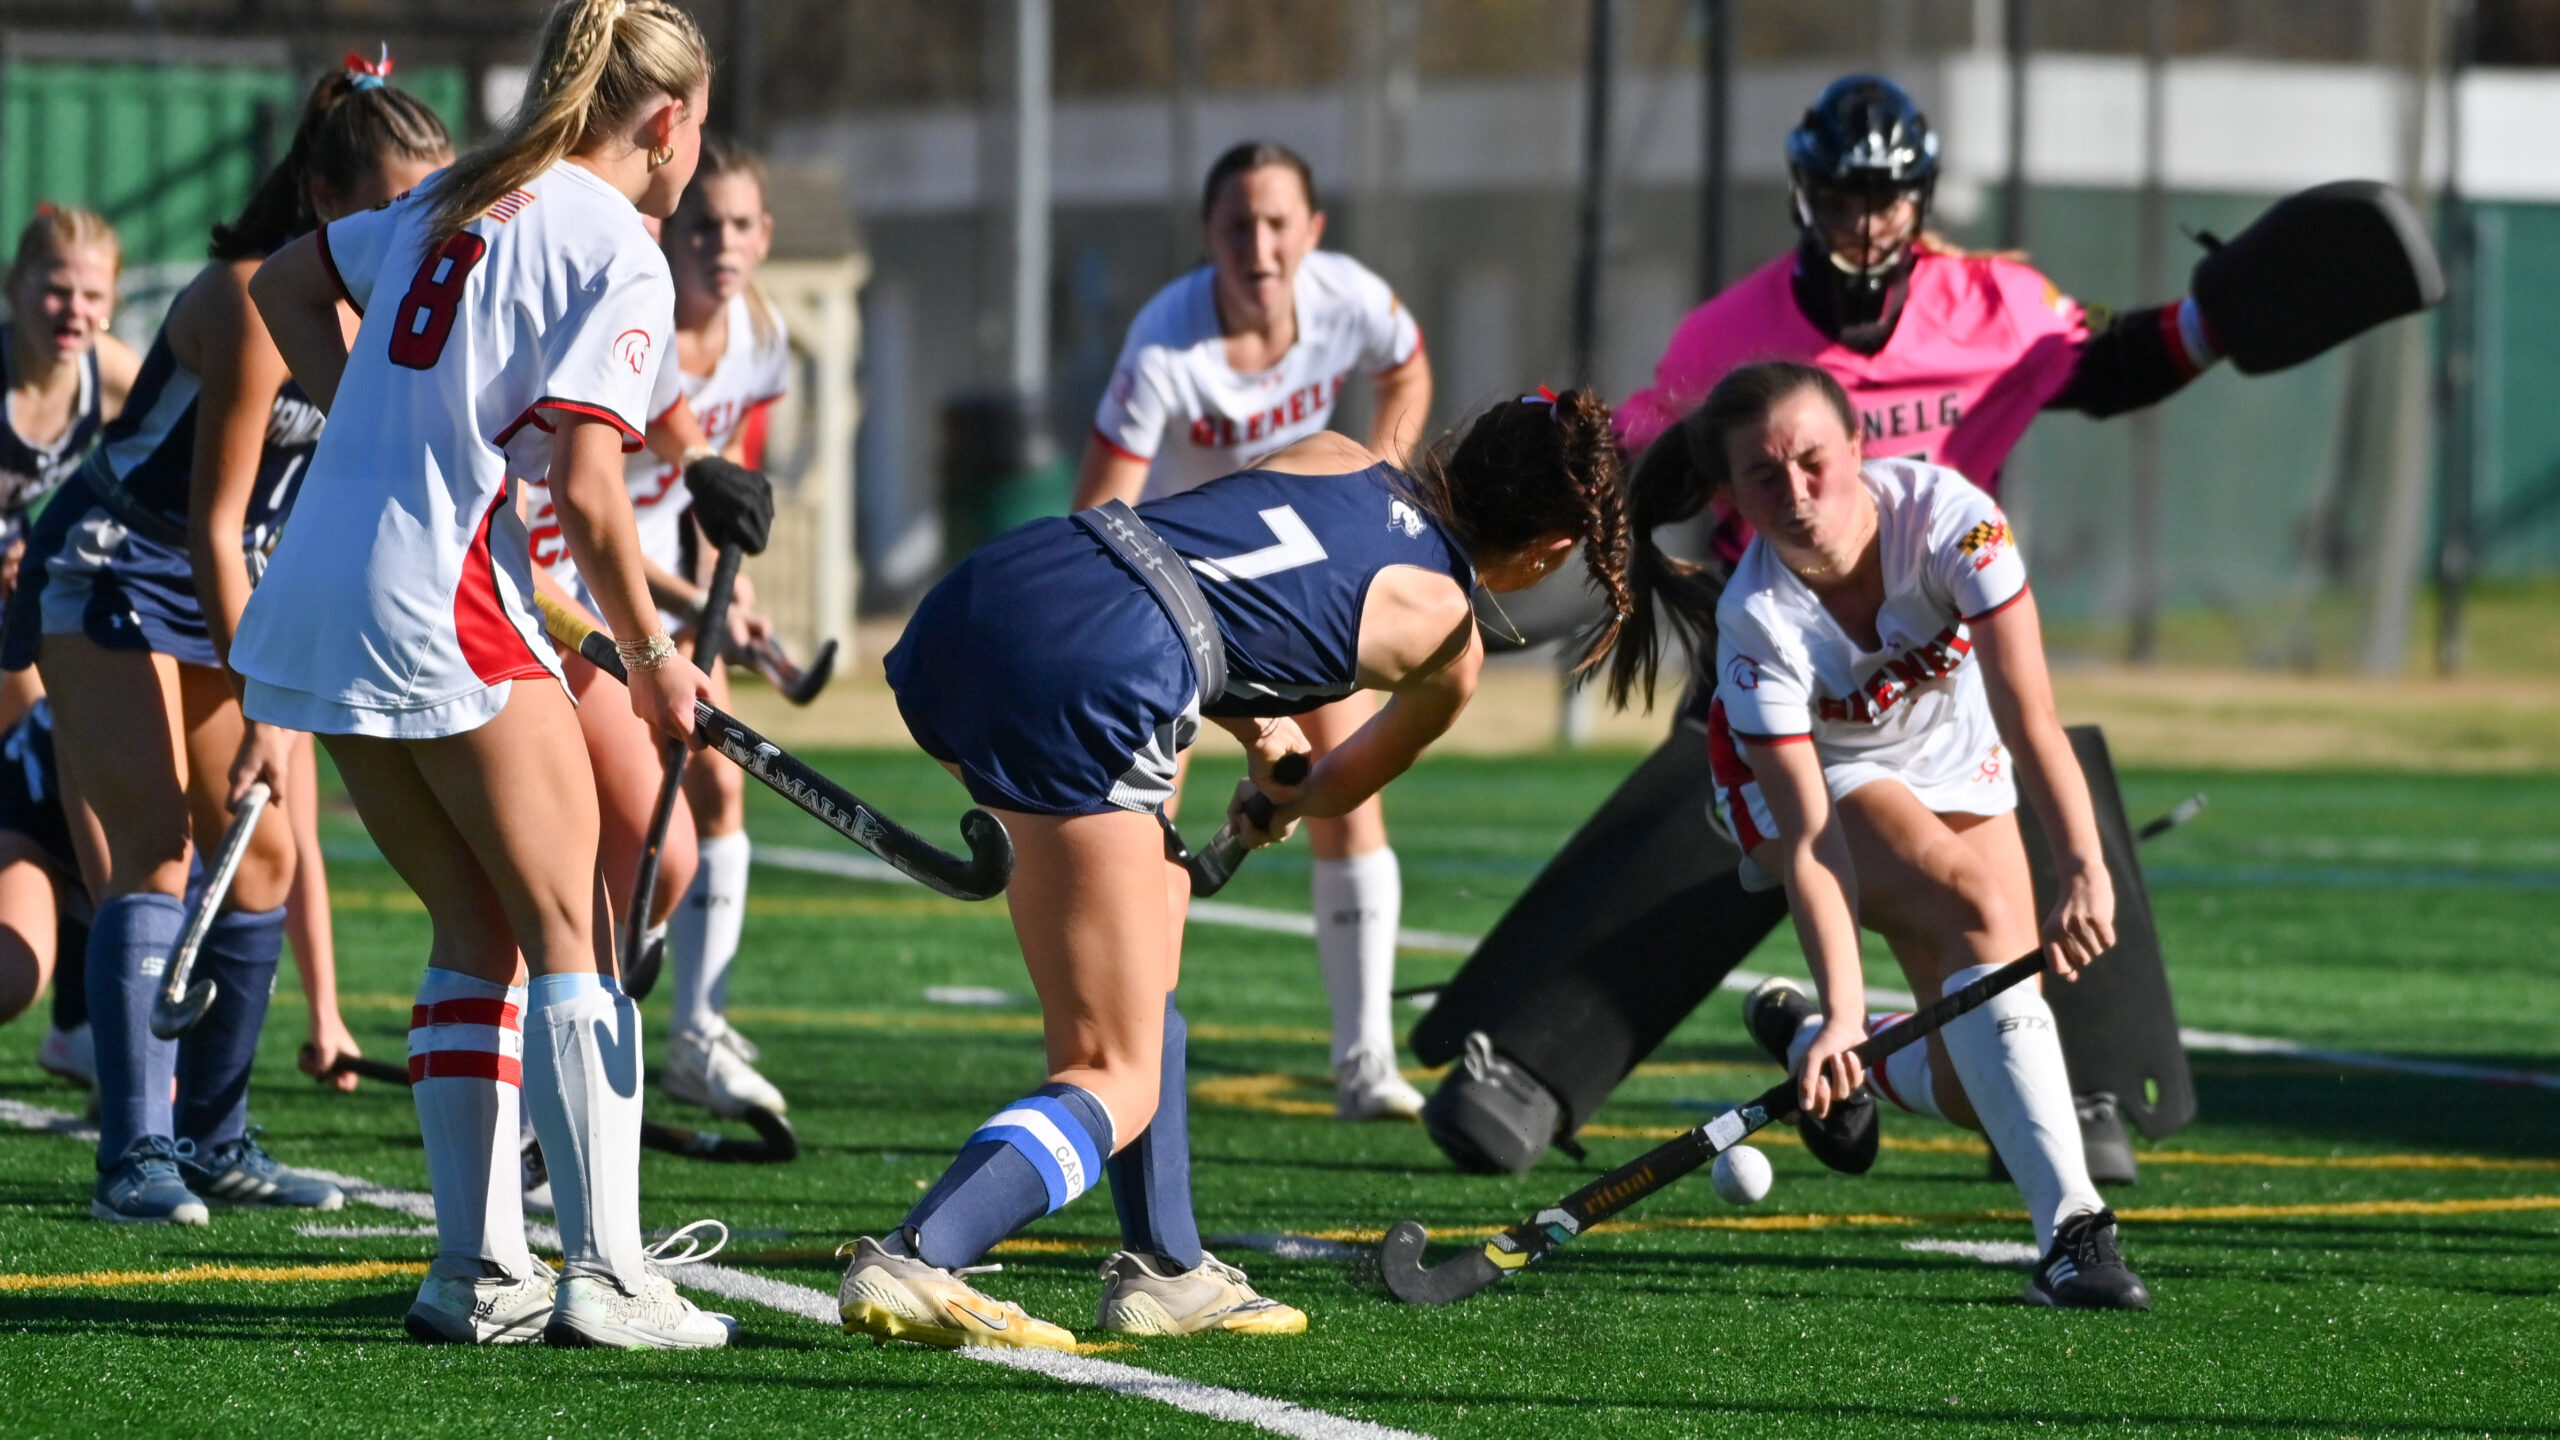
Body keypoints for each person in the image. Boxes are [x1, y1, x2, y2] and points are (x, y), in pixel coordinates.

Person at [839, 388, 1629, 1351]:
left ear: (1464, 450)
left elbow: (1191, 577)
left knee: (1154, 919)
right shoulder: (1450, 641)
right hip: (1102, 674)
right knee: (1113, 1071)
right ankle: (922, 1251)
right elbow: (1338, 785)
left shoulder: (1334, 450)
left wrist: (1259, 727)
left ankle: (1167, 1267)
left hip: (1002, 586)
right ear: (1550, 553)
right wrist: (1284, 793)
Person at [236, 0, 733, 1351]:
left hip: (320, 586)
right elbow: (590, 484)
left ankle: (476, 1274)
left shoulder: (459, 192)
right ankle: (611, 1278)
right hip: (439, 591)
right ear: (670, 125)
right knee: (573, 928)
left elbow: (278, 283)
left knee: (478, 931)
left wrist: (384, 432)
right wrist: (651, 662)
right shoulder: (623, 249)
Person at [0, 58, 452, 1227]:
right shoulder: (256, 298)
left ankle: (215, 1140)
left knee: (260, 864)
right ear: (323, 201)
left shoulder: (382, 314)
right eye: (393, 209)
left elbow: (326, 511)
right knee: (154, 848)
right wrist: (265, 699)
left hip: (227, 582)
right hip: (114, 564)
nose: (415, 236)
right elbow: (211, 520)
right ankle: (134, 1158)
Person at [1613, 360, 2149, 1310]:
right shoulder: (1760, 620)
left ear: (1859, 447)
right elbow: (1816, 839)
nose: (1798, 493)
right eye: (1765, 478)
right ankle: (2074, 1230)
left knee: (1968, 1068)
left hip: (1961, 759)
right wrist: (1852, 1003)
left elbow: (2033, 720)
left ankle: (1806, 1039)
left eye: (1814, 461)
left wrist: (2082, 863)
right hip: (1814, 783)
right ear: (1731, 497)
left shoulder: (1955, 523)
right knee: (1972, 902)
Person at [1071, 141, 1437, 1121]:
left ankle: (1365, 1065)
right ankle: (1123, 1054)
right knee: (1142, 835)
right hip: (1169, 609)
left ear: (1312, 234)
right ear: (1209, 237)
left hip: (1295, 600)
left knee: (1346, 799)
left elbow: (1407, 369)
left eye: (1279, 224)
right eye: (1239, 225)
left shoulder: (1348, 296)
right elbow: (1099, 513)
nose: (1260, 246)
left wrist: (1380, 482)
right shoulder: (1162, 344)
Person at [647, 134, 791, 1118]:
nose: (722, 243)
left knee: (721, 787)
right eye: (703, 224)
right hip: (575, 578)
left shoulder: (761, 338)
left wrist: (727, 598)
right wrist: (689, 601)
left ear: (766, 235)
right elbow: (580, 509)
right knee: (628, 835)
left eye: (740, 224)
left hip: (655, 579)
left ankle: (695, 1032)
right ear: (667, 231)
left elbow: (722, 494)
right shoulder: (635, 321)